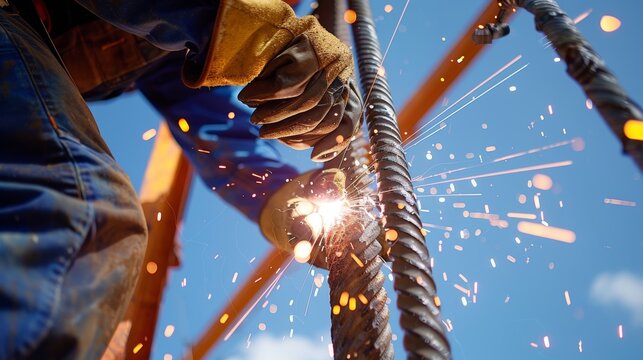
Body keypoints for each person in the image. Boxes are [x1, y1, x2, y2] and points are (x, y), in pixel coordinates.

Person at [0, 0, 361, 358]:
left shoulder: (172, 46)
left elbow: (212, 127)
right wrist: (257, 30)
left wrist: (278, 196)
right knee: (81, 209)